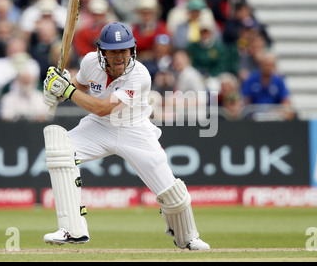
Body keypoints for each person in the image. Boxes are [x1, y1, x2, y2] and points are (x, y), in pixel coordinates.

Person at [42, 22, 210, 250]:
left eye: (125, 50)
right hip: (99, 127)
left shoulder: (139, 75)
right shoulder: (90, 62)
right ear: (102, 52)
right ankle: (72, 230)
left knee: (172, 193)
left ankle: (188, 237)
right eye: (114, 51)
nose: (120, 57)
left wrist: (67, 92)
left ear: (132, 50)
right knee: (60, 149)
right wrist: (57, 88)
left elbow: (102, 107)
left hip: (135, 130)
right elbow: (78, 86)